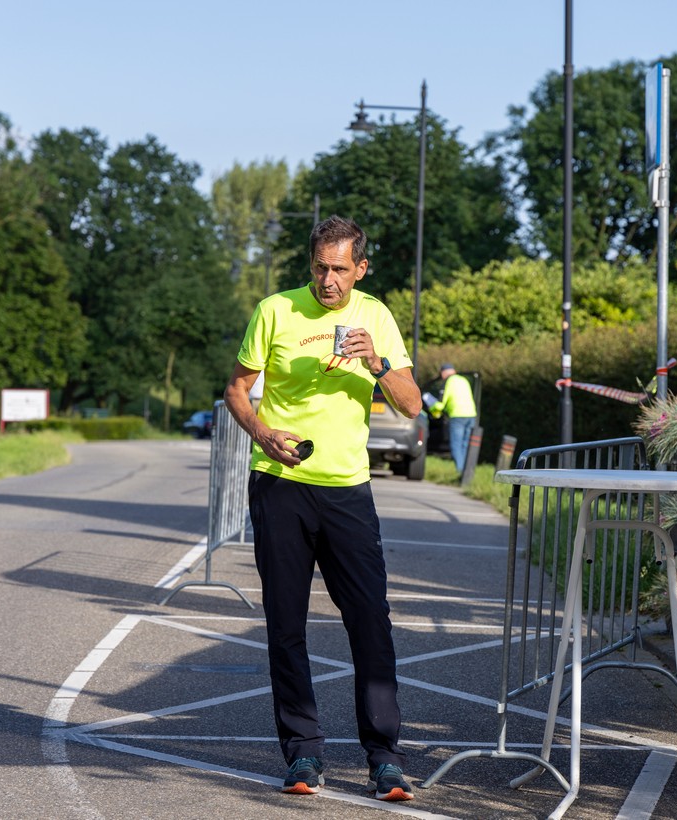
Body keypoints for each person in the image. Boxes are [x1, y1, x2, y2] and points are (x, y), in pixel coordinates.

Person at [223, 216, 422, 802]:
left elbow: (411, 406)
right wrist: (261, 434)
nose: (328, 280)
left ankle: (384, 759)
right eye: (319, 267)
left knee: (370, 622)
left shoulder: (377, 316)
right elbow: (237, 388)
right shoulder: (275, 310)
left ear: (361, 268)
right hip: (281, 482)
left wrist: (377, 363)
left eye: (339, 269)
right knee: (286, 624)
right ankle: (303, 753)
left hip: (347, 490)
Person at [428, 364, 477, 473]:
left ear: (443, 373)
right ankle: (467, 472)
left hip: (457, 416)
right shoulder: (464, 380)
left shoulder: (448, 382)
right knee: (465, 445)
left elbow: (441, 403)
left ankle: (460, 472)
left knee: (456, 445)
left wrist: (431, 406)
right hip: (471, 414)